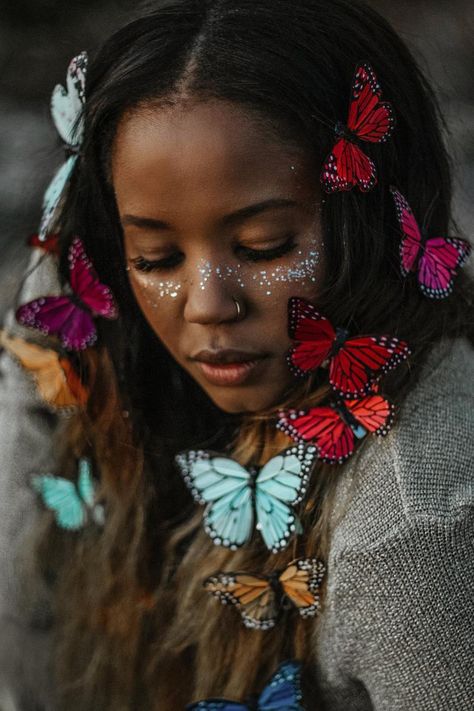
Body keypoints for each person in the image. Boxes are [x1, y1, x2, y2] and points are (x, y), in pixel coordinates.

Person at [0, 0, 472, 709]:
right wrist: (36, 368)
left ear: (368, 224)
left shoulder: (412, 531)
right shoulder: (107, 336)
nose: (206, 305)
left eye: (263, 248)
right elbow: (36, 670)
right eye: (155, 256)